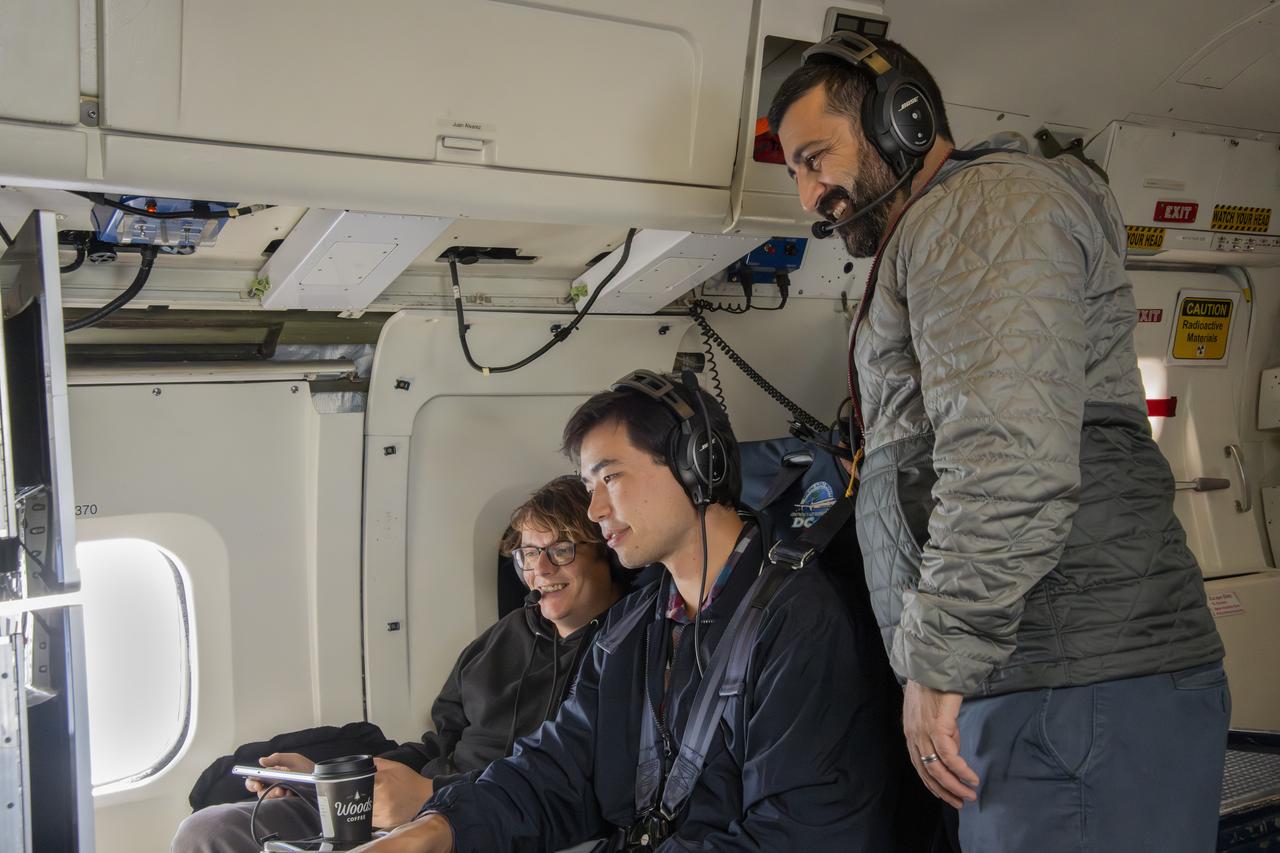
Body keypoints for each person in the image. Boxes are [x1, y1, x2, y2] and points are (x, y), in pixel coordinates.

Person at [767, 32, 1228, 853]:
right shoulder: (948, 229)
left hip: (1073, 678)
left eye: (814, 158)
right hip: (1048, 679)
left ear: (900, 120)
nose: (809, 196)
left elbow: (1007, 459)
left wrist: (938, 664)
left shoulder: (980, 212)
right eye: (796, 173)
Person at [352, 369, 897, 852]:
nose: (594, 510)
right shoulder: (632, 628)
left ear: (696, 465)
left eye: (610, 478)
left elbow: (800, 831)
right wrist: (439, 828)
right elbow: (560, 769)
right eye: (590, 487)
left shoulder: (799, 621)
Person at [171, 475, 623, 852]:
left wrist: (432, 797)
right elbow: (439, 744)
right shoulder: (506, 637)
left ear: (605, 554)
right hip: (415, 798)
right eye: (528, 553)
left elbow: (583, 788)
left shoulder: (626, 652)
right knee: (211, 832)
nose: (540, 570)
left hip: (489, 822)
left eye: (561, 549)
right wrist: (329, 777)